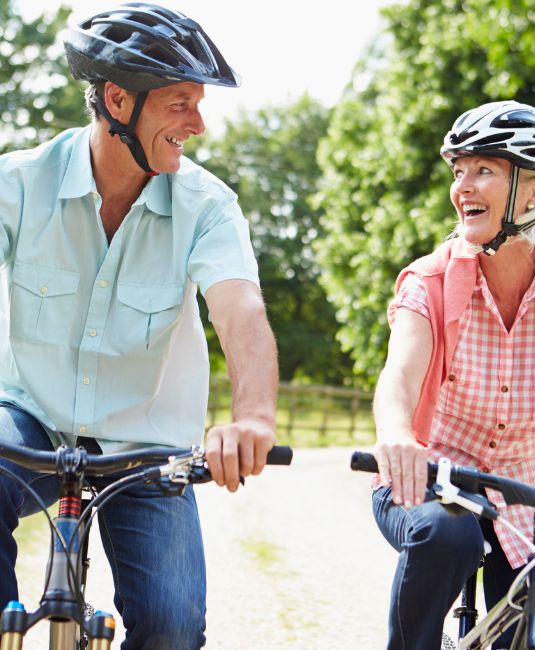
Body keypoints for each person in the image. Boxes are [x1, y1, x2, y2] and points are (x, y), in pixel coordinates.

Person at [0, 3, 278, 648]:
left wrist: (254, 417)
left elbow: (239, 309)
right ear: (118, 99)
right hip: (27, 416)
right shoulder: (18, 184)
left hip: (145, 443)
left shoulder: (207, 205)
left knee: (173, 626)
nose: (199, 124)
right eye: (180, 103)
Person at [371, 100, 535, 650]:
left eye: (484, 171)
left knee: (534, 640)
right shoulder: (429, 282)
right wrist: (398, 437)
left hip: (533, 498)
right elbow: (398, 377)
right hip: (429, 485)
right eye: (459, 171)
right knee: (447, 533)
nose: (462, 187)